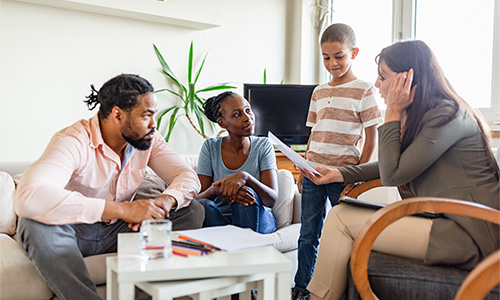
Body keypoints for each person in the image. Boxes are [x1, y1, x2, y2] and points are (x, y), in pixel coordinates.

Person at [300, 40, 500, 300]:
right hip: (447, 223)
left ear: (408, 78)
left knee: (340, 219)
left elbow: (394, 174)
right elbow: (397, 163)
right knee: (343, 215)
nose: (376, 84)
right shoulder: (430, 114)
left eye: (383, 77)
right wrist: (339, 174)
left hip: (472, 234)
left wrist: (392, 110)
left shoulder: (448, 115)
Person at [15, 74, 204, 300]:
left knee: (192, 210)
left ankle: (147, 294)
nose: (154, 124)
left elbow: (186, 175)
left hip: (119, 231)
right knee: (33, 223)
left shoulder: (148, 139)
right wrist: (122, 209)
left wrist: (164, 201)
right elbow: (28, 196)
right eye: (146, 115)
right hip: (73, 230)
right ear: (117, 114)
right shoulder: (73, 140)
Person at [292, 23, 383, 300]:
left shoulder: (364, 89)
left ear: (354, 53)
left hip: (342, 175)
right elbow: (314, 133)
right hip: (312, 174)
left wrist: (358, 176)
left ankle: (347, 290)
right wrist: (303, 167)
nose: (332, 63)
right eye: (326, 57)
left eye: (339, 56)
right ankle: (301, 288)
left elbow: (371, 137)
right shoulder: (319, 91)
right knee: (308, 233)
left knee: (346, 232)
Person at [195, 91, 278, 234]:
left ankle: (242, 247)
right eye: (237, 115)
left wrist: (245, 177)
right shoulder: (210, 146)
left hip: (259, 216)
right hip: (220, 220)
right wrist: (217, 190)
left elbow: (271, 200)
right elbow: (197, 198)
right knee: (203, 205)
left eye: (248, 110)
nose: (248, 118)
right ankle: (230, 246)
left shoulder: (263, 145)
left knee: (245, 193)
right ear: (222, 123)